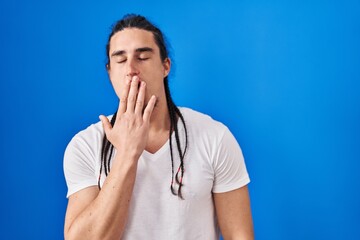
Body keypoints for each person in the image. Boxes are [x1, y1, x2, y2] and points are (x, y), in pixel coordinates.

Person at [63, 14, 254, 240]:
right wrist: (127, 154)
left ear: (165, 66)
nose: (131, 69)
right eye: (121, 60)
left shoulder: (214, 136)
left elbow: (240, 235)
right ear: (110, 72)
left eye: (142, 57)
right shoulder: (85, 146)